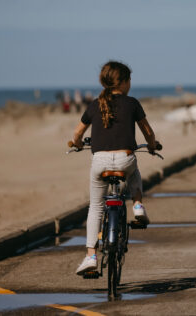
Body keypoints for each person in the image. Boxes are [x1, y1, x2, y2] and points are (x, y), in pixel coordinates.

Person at [69, 61, 160, 276]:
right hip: (125, 159)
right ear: (125, 82)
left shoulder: (94, 105)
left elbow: (77, 134)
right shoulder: (132, 103)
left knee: (96, 207)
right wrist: (153, 145)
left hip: (99, 162)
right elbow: (147, 132)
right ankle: (137, 205)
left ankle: (91, 255)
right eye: (129, 80)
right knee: (134, 171)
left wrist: (78, 144)